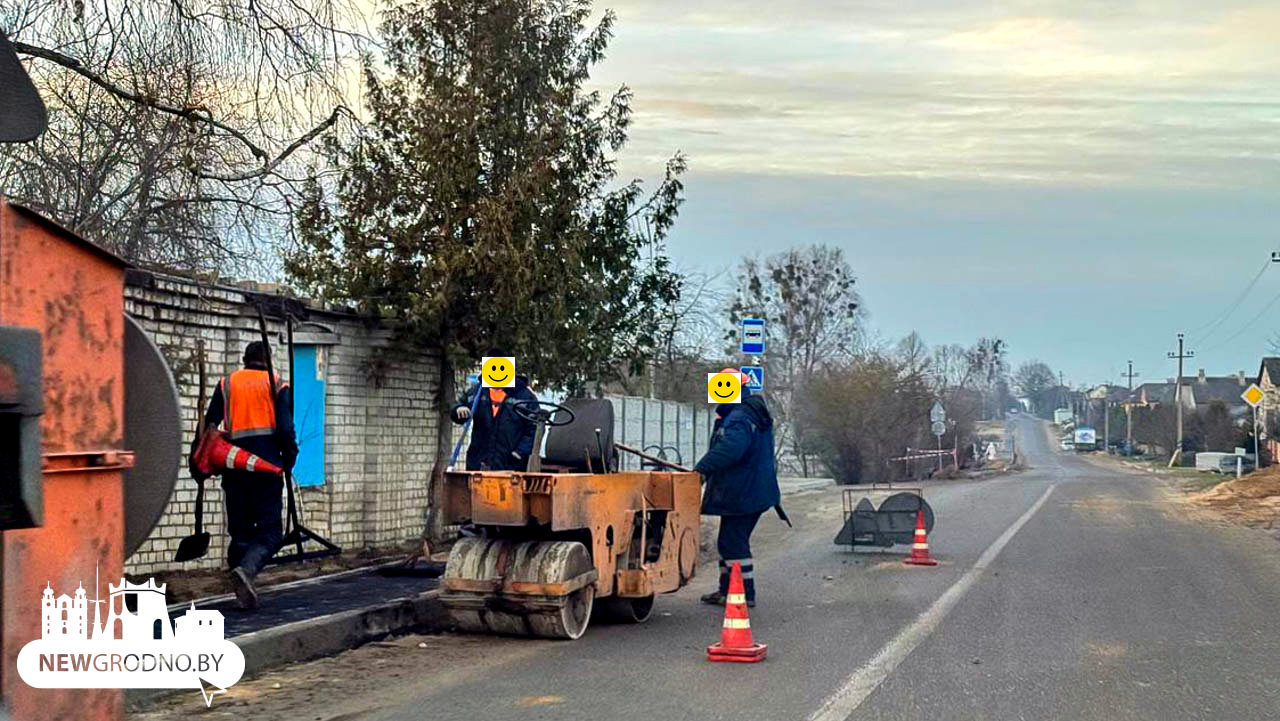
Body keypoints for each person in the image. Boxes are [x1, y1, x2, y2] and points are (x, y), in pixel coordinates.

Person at [191, 341, 297, 610]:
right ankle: (246, 571)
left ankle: (240, 582)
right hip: (266, 468)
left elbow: (208, 426)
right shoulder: (277, 384)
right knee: (271, 532)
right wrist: (290, 457)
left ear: (244, 359)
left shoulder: (227, 383)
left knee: (240, 530)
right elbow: (285, 429)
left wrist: (197, 461)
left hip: (234, 465)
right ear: (269, 359)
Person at [694, 369, 783, 608]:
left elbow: (729, 450)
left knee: (733, 542)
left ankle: (742, 593)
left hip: (744, 491)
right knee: (729, 541)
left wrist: (700, 471)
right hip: (752, 489)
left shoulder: (739, 417)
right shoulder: (749, 412)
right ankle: (727, 590)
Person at [450, 348, 539, 471]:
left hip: (509, 465)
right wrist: (458, 409)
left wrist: (519, 452)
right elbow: (458, 409)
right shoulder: (477, 392)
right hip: (478, 464)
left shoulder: (524, 396)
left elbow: (533, 428)